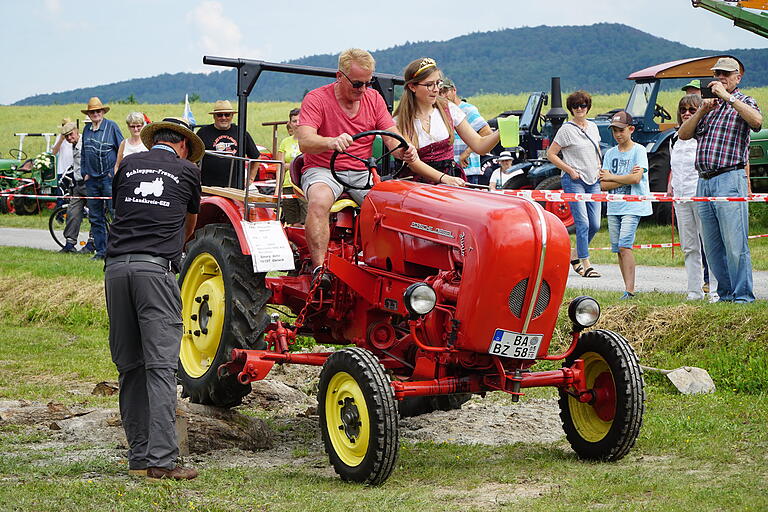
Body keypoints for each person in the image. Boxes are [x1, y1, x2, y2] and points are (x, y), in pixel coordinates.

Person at [105, 117, 204, 480]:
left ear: (156, 141)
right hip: (154, 271)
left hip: (116, 270)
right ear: (181, 145)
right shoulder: (188, 172)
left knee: (130, 366)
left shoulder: (129, 163)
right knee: (160, 367)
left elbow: (122, 210)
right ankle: (162, 461)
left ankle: (138, 457)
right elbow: (189, 224)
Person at [296, 48, 427, 283]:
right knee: (319, 201)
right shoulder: (317, 99)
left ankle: (388, 269)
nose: (363, 89)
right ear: (339, 77)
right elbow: (305, 141)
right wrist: (331, 141)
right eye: (357, 84)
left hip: (361, 171)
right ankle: (320, 270)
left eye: (369, 83)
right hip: (324, 169)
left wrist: (405, 149)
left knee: (392, 207)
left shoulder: (374, 99)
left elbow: (391, 136)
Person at [678, 57, 762, 303]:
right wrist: (703, 109)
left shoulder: (744, 101)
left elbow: (757, 122)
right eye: (717, 74)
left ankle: (743, 296)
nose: (721, 78)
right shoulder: (708, 107)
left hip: (729, 177)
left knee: (735, 244)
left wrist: (728, 98)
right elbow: (683, 135)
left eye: (726, 74)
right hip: (704, 180)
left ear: (738, 77)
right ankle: (725, 295)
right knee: (713, 248)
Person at [394, 57, 499, 183]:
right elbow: (413, 163)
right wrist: (444, 178)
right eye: (429, 85)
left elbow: (480, 146)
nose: (436, 89)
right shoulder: (400, 121)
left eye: (438, 83)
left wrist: (501, 132)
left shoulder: (448, 109)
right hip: (418, 186)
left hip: (450, 181)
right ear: (412, 87)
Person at [547, 90, 603, 279]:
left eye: (583, 105)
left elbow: (596, 150)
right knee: (583, 223)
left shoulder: (594, 127)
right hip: (574, 181)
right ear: (571, 109)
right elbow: (551, 154)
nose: (580, 109)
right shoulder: (566, 130)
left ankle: (574, 256)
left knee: (595, 224)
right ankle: (586, 263)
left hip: (593, 180)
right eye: (576, 106)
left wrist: (599, 167)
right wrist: (569, 170)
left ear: (588, 107)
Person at [668, 94, 718, 301]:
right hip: (680, 198)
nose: (686, 113)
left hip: (700, 195)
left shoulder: (704, 136)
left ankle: (715, 290)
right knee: (689, 246)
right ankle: (694, 290)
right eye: (683, 110)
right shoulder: (674, 138)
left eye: (691, 109)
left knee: (709, 244)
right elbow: (674, 167)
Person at [599, 111, 652, 299]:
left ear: (631, 129)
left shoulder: (639, 151)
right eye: (614, 131)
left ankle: (630, 289)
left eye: (621, 130)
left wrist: (613, 177)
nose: (618, 134)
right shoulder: (610, 153)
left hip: (633, 205)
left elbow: (636, 178)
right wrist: (625, 178)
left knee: (624, 245)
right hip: (614, 206)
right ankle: (626, 287)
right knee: (618, 249)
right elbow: (603, 184)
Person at [80, 97, 124, 260]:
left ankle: (117, 250)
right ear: (89, 114)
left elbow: (121, 147)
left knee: (114, 214)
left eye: (98, 111)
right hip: (91, 179)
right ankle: (101, 251)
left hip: (108, 178)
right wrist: (84, 172)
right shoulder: (87, 130)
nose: (95, 114)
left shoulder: (111, 126)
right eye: (92, 112)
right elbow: (84, 151)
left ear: (103, 112)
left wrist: (115, 170)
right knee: (95, 216)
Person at [439, 78, 493, 184]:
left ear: (454, 90)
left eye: (446, 91)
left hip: (467, 169)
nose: (443, 96)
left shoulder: (468, 110)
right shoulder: (441, 110)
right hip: (449, 170)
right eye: (440, 92)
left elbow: (486, 132)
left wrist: (467, 152)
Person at [196, 100, 260, 188]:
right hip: (207, 188)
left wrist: (250, 178)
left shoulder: (241, 133)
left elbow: (256, 157)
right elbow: (192, 158)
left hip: (235, 189)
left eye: (227, 114)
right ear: (214, 116)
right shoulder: (203, 133)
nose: (223, 118)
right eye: (219, 115)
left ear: (232, 116)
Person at [56, 122, 88, 253]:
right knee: (72, 212)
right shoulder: (74, 145)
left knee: (96, 215)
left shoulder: (84, 143)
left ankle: (93, 243)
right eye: (66, 136)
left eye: (71, 134)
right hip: (78, 185)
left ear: (76, 131)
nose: (69, 138)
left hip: (89, 184)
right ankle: (70, 243)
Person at [277, 107, 307, 224]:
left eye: (300, 120)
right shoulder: (285, 142)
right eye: (294, 121)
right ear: (290, 123)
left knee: (307, 219)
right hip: (288, 185)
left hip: (303, 185)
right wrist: (277, 189)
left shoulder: (309, 140)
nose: (297, 124)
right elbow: (280, 166)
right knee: (292, 221)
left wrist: (290, 165)